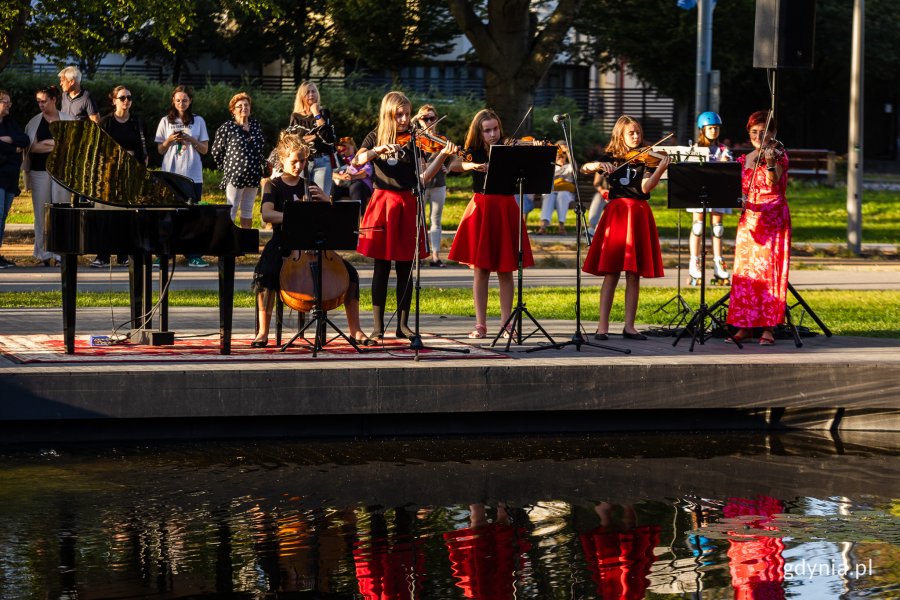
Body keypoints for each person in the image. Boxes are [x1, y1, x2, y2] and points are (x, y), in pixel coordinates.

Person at [251, 133, 374, 348]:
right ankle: (262, 332)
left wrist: (328, 201)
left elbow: (329, 218)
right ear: (282, 159)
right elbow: (267, 214)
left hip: (313, 244)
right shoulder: (273, 185)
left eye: (302, 161)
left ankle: (356, 330)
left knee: (351, 274)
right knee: (267, 275)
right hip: (284, 243)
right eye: (293, 161)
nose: (299, 165)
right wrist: (295, 216)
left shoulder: (310, 185)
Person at [439, 108, 535, 339]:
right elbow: (452, 165)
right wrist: (473, 166)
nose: (493, 134)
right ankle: (480, 325)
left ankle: (506, 324)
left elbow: (528, 153)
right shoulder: (473, 151)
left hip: (505, 208)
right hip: (482, 207)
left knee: (506, 270)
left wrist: (533, 145)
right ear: (479, 132)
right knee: (480, 270)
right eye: (487, 131)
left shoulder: (508, 148)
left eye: (495, 129)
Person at [580, 115, 669, 341]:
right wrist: (597, 165)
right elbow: (585, 168)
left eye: (638, 132)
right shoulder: (610, 157)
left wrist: (660, 168)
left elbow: (645, 186)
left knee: (633, 274)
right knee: (611, 273)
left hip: (638, 212)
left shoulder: (647, 158)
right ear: (620, 134)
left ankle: (630, 326)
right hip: (617, 214)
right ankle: (602, 326)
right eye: (631, 133)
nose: (637, 136)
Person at [352, 91, 432, 340]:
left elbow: (422, 176)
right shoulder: (374, 136)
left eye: (407, 114)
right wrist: (377, 151)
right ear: (389, 114)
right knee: (381, 267)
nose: (405, 119)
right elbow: (357, 161)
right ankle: (377, 326)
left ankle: (403, 324)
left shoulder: (415, 139)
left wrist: (439, 155)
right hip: (383, 203)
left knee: (406, 266)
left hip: (408, 202)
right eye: (399, 114)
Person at [726, 110, 790, 346]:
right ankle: (744, 326)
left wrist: (771, 163)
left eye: (764, 132)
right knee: (746, 275)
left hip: (772, 218)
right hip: (749, 220)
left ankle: (768, 328)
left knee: (768, 272)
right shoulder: (745, 159)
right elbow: (741, 189)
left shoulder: (779, 154)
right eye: (754, 132)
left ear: (773, 133)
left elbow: (774, 183)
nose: (758, 136)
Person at [92, 85, 148, 268]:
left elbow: (143, 150)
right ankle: (103, 255)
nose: (126, 101)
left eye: (129, 98)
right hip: (109, 172)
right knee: (105, 214)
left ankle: (123, 254)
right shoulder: (106, 122)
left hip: (130, 173)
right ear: (114, 100)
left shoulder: (137, 122)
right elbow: (98, 149)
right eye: (122, 97)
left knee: (127, 215)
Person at [154, 85, 210, 268]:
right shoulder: (165, 121)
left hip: (192, 174)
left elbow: (204, 149)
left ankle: (193, 254)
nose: (181, 103)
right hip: (171, 174)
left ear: (190, 101)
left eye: (185, 100)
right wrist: (170, 140)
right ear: (173, 101)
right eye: (178, 100)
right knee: (167, 214)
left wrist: (191, 140)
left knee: (192, 215)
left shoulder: (198, 121)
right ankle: (164, 253)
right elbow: (160, 150)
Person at [23, 85, 74, 266]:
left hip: (61, 172)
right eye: (38, 102)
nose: (41, 105)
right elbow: (33, 147)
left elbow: (71, 146)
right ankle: (43, 254)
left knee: (61, 211)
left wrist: (47, 143)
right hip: (39, 171)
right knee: (41, 213)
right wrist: (56, 143)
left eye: (44, 101)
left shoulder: (68, 120)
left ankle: (61, 254)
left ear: (54, 100)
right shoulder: (35, 122)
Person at [688, 111, 734, 285]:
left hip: (718, 192)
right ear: (702, 129)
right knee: (698, 226)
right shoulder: (695, 150)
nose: (714, 131)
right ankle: (694, 262)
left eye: (716, 128)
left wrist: (725, 162)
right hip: (700, 192)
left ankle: (718, 262)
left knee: (717, 229)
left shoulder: (723, 150)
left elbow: (730, 173)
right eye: (710, 128)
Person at [211, 92, 266, 229]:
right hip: (235, 175)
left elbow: (261, 146)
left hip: (253, 174)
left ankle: (244, 243)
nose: (243, 108)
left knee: (247, 210)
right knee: (231, 209)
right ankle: (228, 242)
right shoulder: (227, 128)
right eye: (239, 106)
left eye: (246, 105)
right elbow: (216, 151)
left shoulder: (255, 125)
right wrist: (228, 167)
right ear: (233, 110)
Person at [415, 104, 448, 267]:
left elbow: (455, 157)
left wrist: (446, 166)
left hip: (438, 183)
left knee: (436, 219)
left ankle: (435, 255)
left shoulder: (442, 140)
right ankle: (419, 254)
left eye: (432, 118)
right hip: (420, 184)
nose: (428, 121)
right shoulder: (414, 139)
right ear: (419, 120)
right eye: (424, 118)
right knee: (418, 220)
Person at [289, 81, 336, 197]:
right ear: (301, 96)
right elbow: (293, 140)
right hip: (301, 162)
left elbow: (330, 138)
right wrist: (318, 136)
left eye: (313, 91)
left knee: (320, 198)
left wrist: (316, 113)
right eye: (307, 92)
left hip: (322, 161)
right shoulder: (296, 116)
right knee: (300, 197)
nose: (311, 94)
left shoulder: (324, 113)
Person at [0, 89, 30, 268]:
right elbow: (16, 148)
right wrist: (13, 149)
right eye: (5, 101)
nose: (9, 105)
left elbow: (24, 140)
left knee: (3, 216)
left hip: (11, 178)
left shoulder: (10, 123)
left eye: (9, 102)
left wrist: (9, 139)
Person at [536, 141, 575, 235]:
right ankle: (543, 225)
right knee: (548, 195)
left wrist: (569, 152)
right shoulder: (550, 165)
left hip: (565, 192)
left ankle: (561, 226)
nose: (560, 156)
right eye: (558, 154)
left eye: (562, 155)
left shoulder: (569, 166)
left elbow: (575, 169)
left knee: (562, 195)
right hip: (552, 191)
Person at [331, 136, 372, 210]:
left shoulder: (361, 158)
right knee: (333, 186)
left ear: (353, 147)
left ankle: (358, 215)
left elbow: (365, 173)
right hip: (343, 183)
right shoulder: (338, 160)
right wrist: (340, 177)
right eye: (343, 148)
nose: (345, 150)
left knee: (356, 186)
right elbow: (331, 172)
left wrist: (353, 176)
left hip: (360, 183)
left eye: (348, 148)